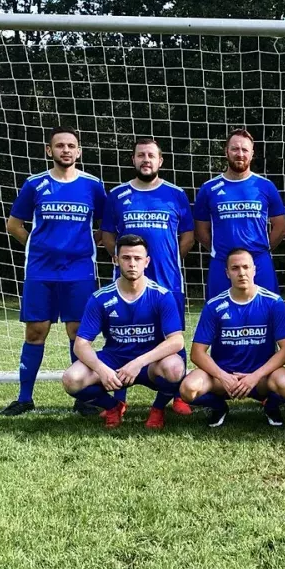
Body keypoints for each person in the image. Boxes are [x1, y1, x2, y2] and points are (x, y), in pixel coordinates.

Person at [3, 127, 107, 416]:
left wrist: (88, 243)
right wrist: (36, 246)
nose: (66, 150)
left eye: (71, 145)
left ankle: (82, 398)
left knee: (78, 333)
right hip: (41, 271)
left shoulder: (92, 185)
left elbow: (106, 225)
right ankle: (24, 398)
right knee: (36, 331)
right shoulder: (35, 184)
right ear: (49, 150)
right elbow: (14, 225)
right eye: (60, 145)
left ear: (79, 151)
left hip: (79, 272)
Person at [101, 137, 195, 416]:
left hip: (168, 280)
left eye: (151, 155)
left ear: (160, 161)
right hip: (127, 285)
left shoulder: (175, 194)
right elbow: (108, 235)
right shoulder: (117, 195)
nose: (146, 160)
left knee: (173, 337)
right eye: (140, 155)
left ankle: (176, 395)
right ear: (133, 159)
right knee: (121, 338)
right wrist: (121, 260)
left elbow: (188, 236)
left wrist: (170, 259)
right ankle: (119, 399)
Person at [61, 234, 186, 429]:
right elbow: (81, 344)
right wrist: (101, 370)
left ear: (147, 262)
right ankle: (113, 407)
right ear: (116, 260)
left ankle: (158, 409)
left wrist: (138, 363)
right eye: (126, 258)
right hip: (114, 361)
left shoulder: (162, 296)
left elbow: (177, 341)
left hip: (149, 364)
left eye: (137, 258)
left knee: (175, 368)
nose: (132, 264)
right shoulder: (100, 298)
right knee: (71, 379)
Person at [181, 248, 285, 428]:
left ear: (254, 270)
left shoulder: (273, 302)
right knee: (188, 389)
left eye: (246, 267)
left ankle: (271, 405)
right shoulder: (214, 306)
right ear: (227, 272)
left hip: (261, 378)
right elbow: (197, 353)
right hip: (223, 379)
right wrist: (224, 377)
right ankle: (218, 407)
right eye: (235, 268)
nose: (241, 273)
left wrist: (255, 376)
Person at [193, 129, 285, 300]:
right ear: (226, 151)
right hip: (222, 262)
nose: (240, 154)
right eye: (235, 149)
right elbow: (200, 230)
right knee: (219, 312)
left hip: (259, 262)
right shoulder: (209, 188)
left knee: (266, 311)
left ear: (252, 153)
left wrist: (261, 250)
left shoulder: (265, 186)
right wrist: (220, 249)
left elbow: (280, 226)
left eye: (244, 149)